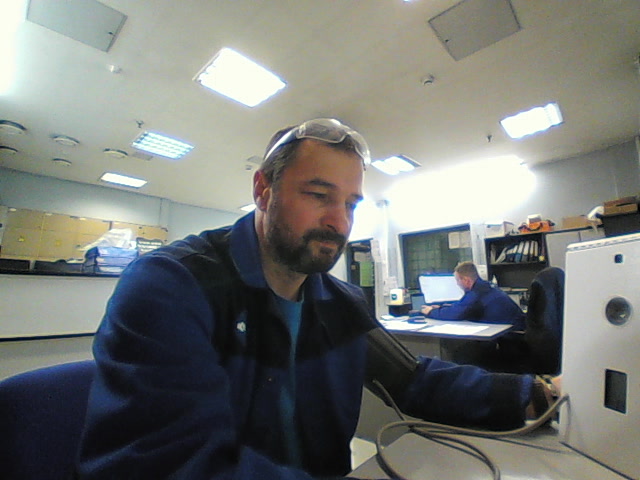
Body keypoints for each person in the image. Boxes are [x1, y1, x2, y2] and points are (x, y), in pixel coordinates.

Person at [76, 118, 556, 480]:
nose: (340, 222)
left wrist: (533, 395)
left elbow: (413, 380)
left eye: (350, 203)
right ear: (263, 190)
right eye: (318, 195)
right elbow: (173, 463)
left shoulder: (338, 301)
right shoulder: (171, 286)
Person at [421, 261, 526, 330]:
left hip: (512, 337)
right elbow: (462, 306)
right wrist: (442, 307)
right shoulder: (484, 287)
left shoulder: (477, 293)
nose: (457, 284)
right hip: (518, 330)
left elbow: (456, 314)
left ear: (466, 280)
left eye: (457, 280)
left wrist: (430, 311)